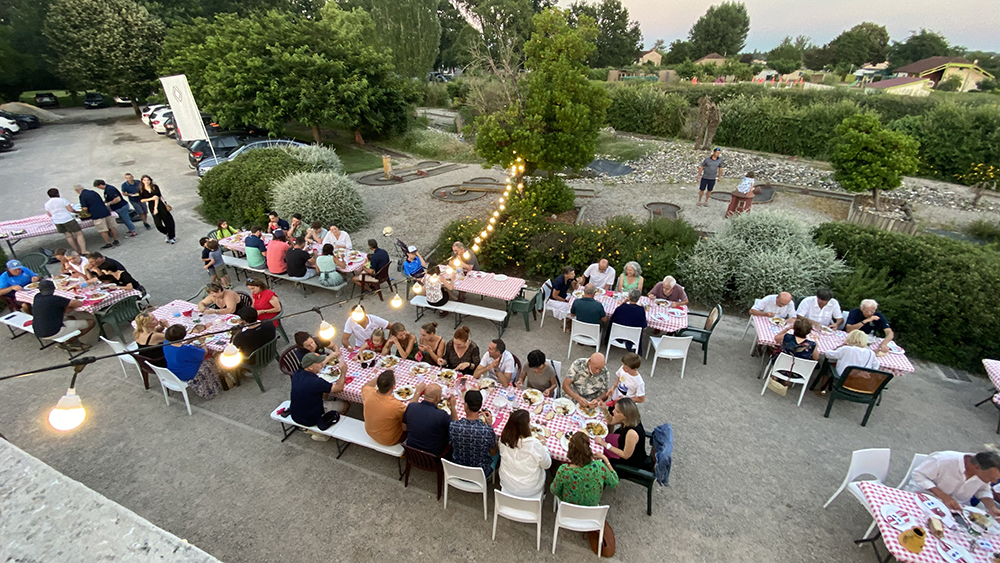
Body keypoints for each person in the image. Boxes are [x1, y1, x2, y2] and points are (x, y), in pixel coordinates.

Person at [904, 451, 1000, 516]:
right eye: (991, 478)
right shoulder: (943, 460)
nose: (995, 482)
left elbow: (984, 490)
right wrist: (943, 496)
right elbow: (918, 474)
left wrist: (991, 507)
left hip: (954, 511)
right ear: (976, 468)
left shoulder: (983, 474)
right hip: (923, 499)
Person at [289, 352, 350, 441]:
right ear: (310, 367)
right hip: (310, 419)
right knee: (346, 404)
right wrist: (343, 372)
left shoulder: (297, 373)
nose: (322, 364)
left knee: (322, 393)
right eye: (319, 363)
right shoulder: (316, 382)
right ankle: (325, 429)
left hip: (295, 414)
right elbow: (339, 388)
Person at [550, 431, 619, 506]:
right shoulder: (599, 466)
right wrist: (605, 459)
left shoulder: (564, 470)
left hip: (568, 508)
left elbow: (554, 490)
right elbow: (615, 483)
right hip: (591, 509)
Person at [498, 409, 552, 498]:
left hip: (507, 484)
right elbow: (547, 465)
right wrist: (544, 445)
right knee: (543, 467)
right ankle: (543, 494)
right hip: (530, 489)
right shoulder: (534, 444)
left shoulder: (503, 440)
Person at [161, 324, 222, 399]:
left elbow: (178, 346)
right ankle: (214, 384)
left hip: (173, 371)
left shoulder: (166, 343)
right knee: (212, 359)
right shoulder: (185, 349)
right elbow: (204, 352)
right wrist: (203, 342)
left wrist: (190, 340)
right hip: (187, 374)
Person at [30, 279, 94, 351]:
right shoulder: (55, 299)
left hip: (38, 331)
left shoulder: (37, 297)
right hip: (53, 331)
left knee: (71, 317)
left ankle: (72, 339)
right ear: (54, 288)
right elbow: (78, 303)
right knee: (91, 322)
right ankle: (69, 342)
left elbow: (58, 309)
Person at [362, 370, 422, 445]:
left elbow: (366, 386)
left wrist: (382, 378)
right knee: (411, 422)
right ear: (393, 387)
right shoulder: (395, 405)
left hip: (370, 432)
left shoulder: (368, 393)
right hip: (389, 439)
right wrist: (418, 392)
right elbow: (410, 410)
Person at [449, 390, 498, 477]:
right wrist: (489, 425)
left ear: (466, 405)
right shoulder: (487, 431)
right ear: (480, 406)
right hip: (480, 472)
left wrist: (452, 408)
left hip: (458, 468)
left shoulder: (454, 426)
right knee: (497, 451)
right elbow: (493, 453)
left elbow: (455, 423)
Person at [403, 383, 457, 455]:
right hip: (433, 455)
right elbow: (456, 431)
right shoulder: (441, 415)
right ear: (438, 398)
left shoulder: (411, 407)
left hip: (412, 452)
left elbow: (404, 428)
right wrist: (453, 407)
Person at [596, 398, 647, 469]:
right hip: (621, 444)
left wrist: (604, 444)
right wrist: (604, 409)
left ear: (625, 415)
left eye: (617, 411)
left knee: (597, 456)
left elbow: (625, 455)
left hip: (630, 463)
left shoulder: (631, 433)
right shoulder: (630, 419)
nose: (613, 411)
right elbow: (611, 421)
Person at [74, 183, 119, 249]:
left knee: (103, 230)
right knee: (112, 227)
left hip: (96, 214)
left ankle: (108, 243)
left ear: (77, 190)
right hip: (105, 211)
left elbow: (85, 208)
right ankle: (116, 240)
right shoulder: (93, 192)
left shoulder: (82, 196)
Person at [44, 188, 87, 254]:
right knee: (79, 234)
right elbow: (70, 209)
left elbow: (49, 214)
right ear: (57, 193)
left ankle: (76, 250)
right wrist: (77, 212)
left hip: (57, 221)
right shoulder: (62, 200)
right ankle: (83, 250)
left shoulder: (47, 204)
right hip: (67, 219)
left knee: (68, 236)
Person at [139, 175, 176, 244]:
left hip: (160, 205)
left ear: (150, 180)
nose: (146, 182)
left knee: (168, 221)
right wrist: (151, 199)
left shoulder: (154, 187)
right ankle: (166, 232)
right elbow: (141, 200)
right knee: (158, 224)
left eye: (148, 180)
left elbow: (157, 198)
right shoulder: (142, 190)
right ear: (142, 181)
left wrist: (155, 208)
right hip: (151, 205)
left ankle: (172, 237)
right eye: (144, 180)